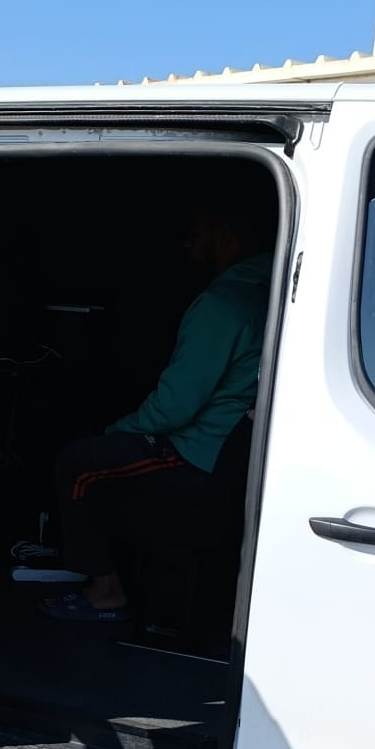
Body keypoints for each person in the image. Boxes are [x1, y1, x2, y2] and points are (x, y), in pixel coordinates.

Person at [43, 189, 274, 623]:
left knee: (79, 464)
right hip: (231, 459)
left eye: (195, 232)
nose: (187, 242)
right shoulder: (269, 297)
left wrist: (119, 429)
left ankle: (105, 590)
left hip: (194, 454)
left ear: (224, 234)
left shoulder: (221, 305)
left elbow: (175, 407)